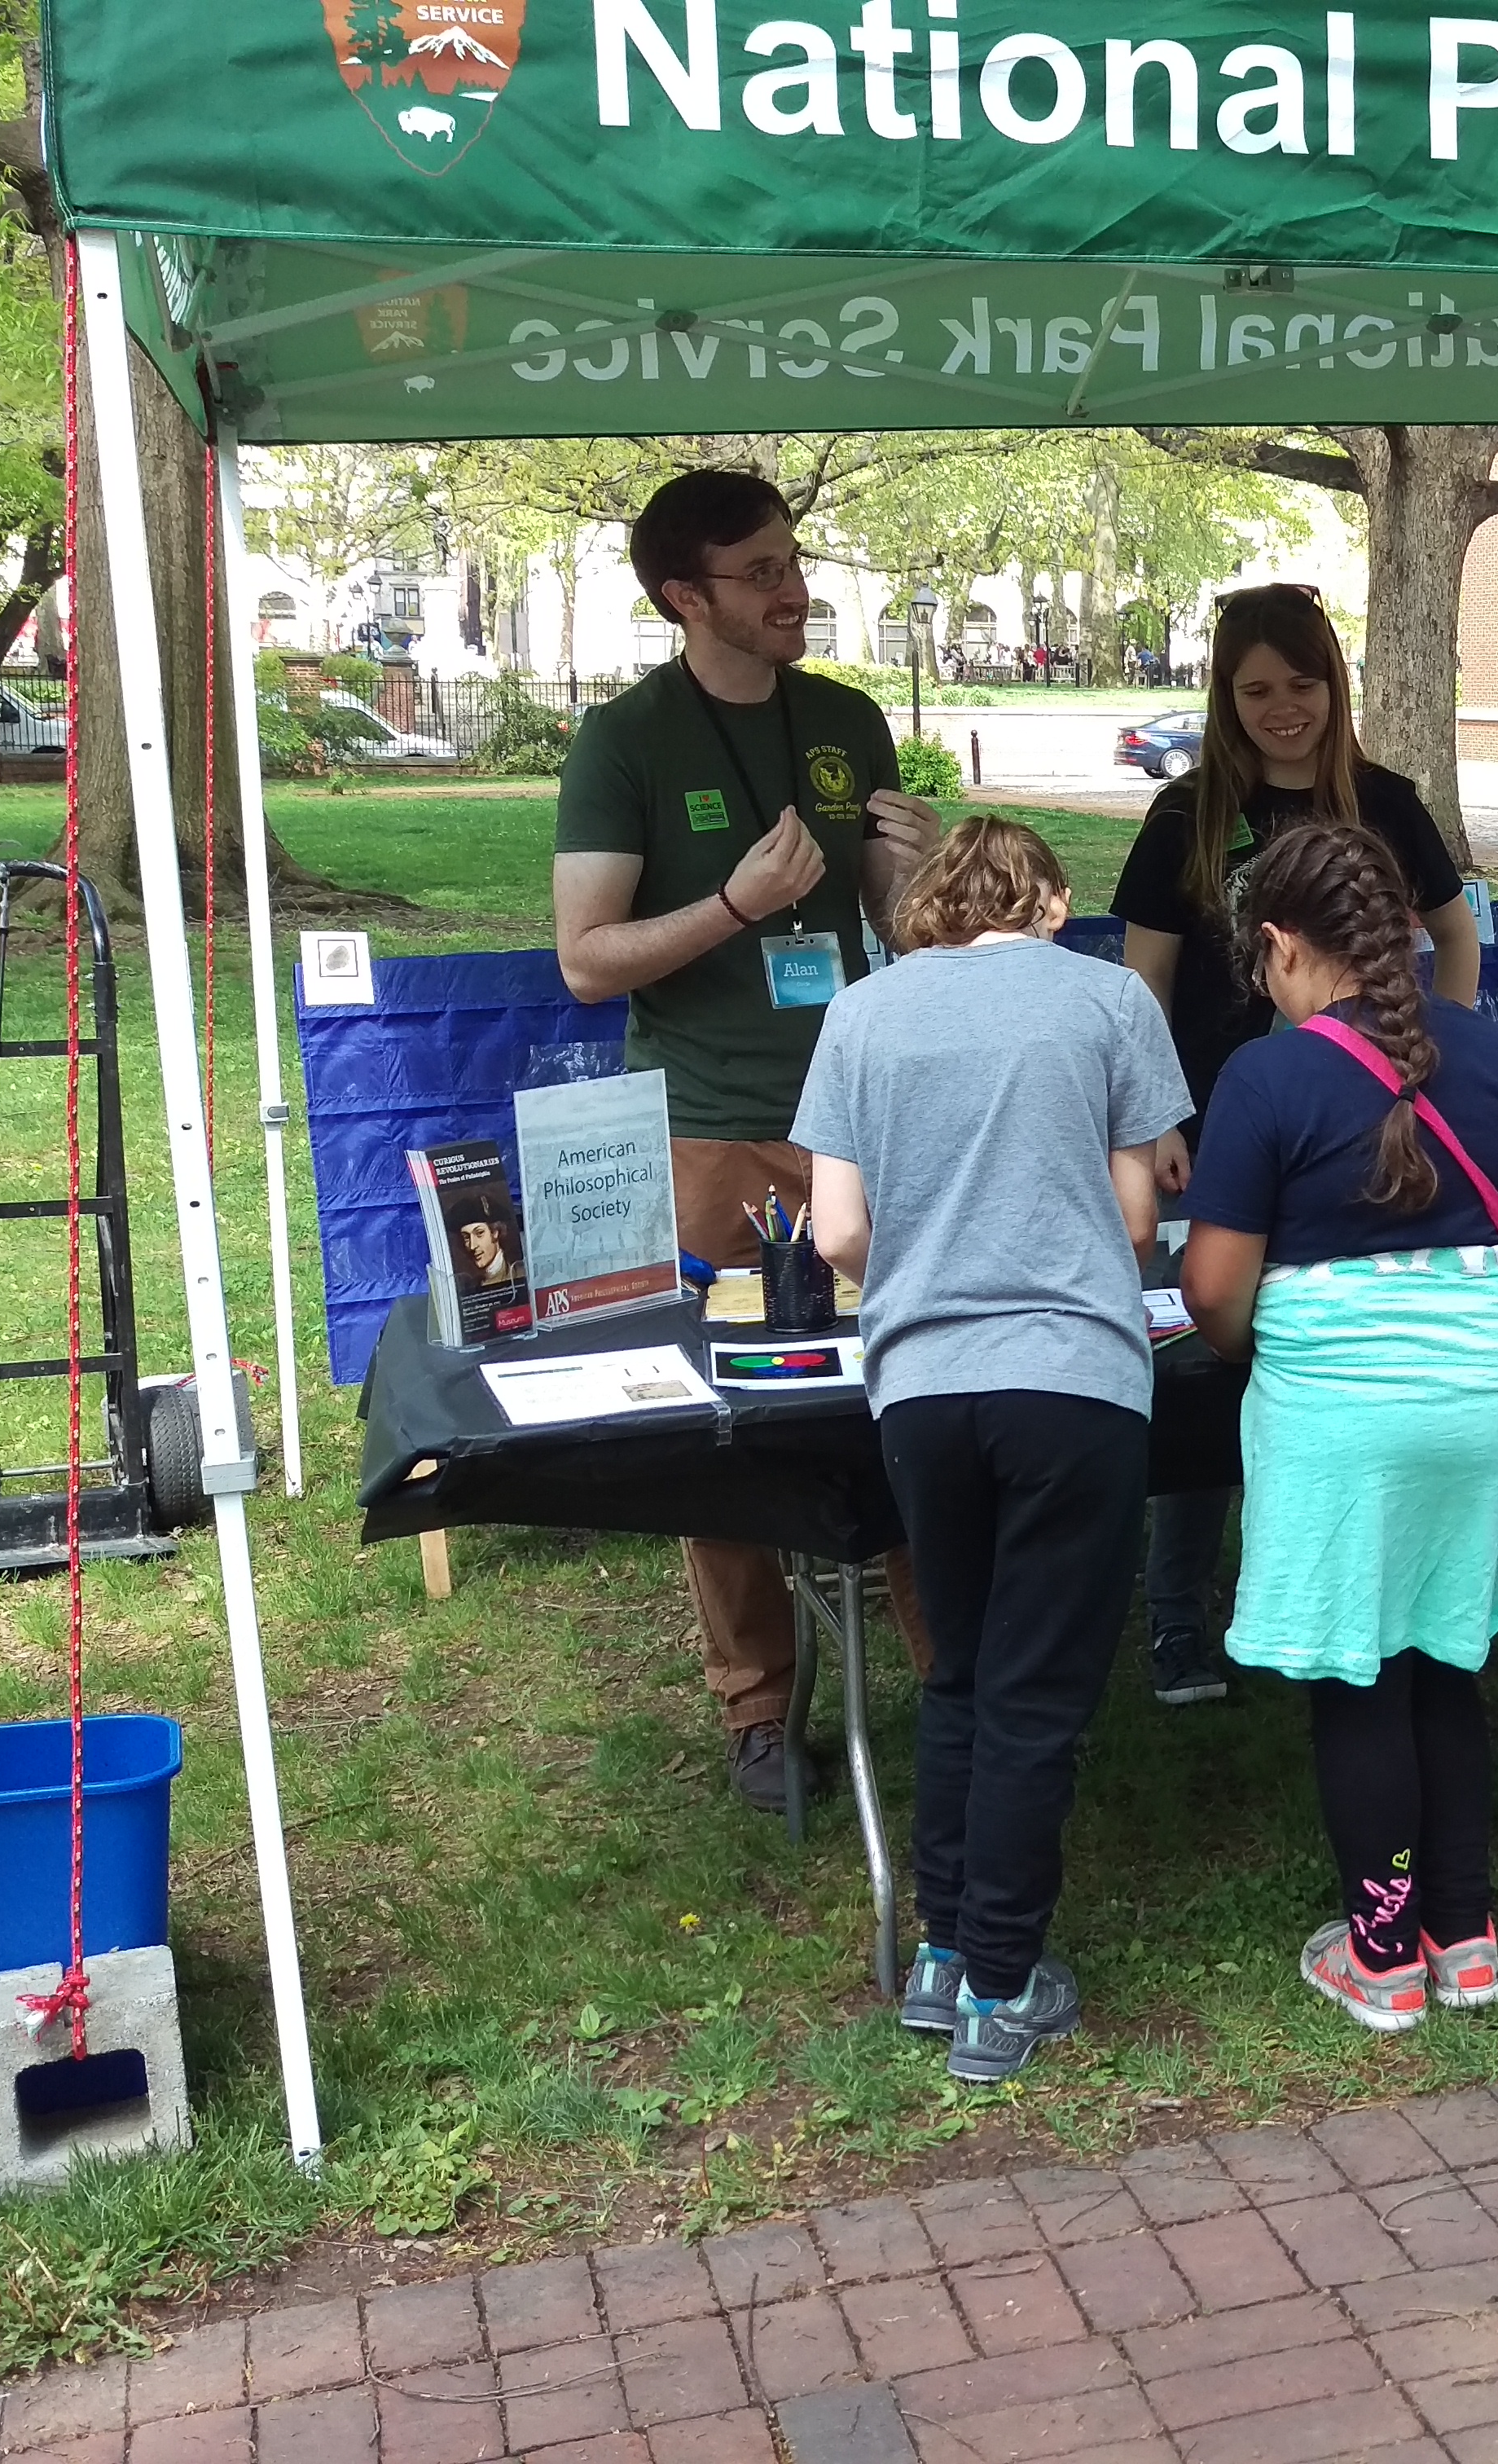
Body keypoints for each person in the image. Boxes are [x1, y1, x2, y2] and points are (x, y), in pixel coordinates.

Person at [551, 468, 939, 1817]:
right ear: (684, 596)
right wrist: (732, 903)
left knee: (911, 1384)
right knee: (722, 1418)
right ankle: (759, 1707)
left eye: (794, 558)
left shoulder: (846, 718)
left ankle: (945, 1674)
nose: (795, 588)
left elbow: (900, 927)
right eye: (761, 569)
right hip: (709, 1127)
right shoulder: (626, 740)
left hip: (866, 1116)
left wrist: (914, 870)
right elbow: (588, 959)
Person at [797, 818, 1185, 2082]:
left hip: (919, 1388)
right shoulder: (1111, 997)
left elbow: (837, 1234)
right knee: (1038, 1695)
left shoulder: (861, 1015)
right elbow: (1136, 1220)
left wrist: (931, 1256)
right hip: (1073, 1378)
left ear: (928, 909)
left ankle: (943, 1955)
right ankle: (1004, 1989)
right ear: (1052, 900)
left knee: (959, 1673)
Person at [1179, 824, 1498, 2033]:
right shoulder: (1492, 1055)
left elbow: (1211, 1291)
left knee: (1361, 1673)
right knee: (1447, 1656)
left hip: (1344, 1412)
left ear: (1282, 947)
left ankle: (1383, 1957)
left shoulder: (1266, 1078)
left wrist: (1258, 1349)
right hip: (1489, 1396)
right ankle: (1468, 1935)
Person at [1109, 586, 1483, 1710]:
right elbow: (1142, 983)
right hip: (1218, 1131)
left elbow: (1454, 938)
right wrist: (1155, 1116)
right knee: (1202, 1353)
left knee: (1342, 1358)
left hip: (1370, 1137)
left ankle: (1355, 1596)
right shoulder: (1185, 817)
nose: (1284, 710)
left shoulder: (1385, 802)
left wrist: (1439, 1062)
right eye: (1257, 689)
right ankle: (1180, 1614)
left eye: (1304, 685)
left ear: (1336, 684)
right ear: (1224, 696)